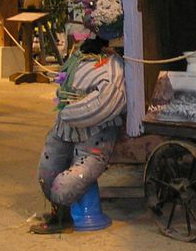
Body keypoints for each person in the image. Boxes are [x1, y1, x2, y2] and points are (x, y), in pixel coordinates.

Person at [30, 31, 126, 234]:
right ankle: (62, 212)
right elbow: (61, 87)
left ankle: (79, 214)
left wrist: (71, 110)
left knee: (66, 185)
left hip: (96, 129)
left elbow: (108, 101)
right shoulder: (75, 59)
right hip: (65, 125)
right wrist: (66, 107)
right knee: (46, 172)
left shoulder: (113, 65)